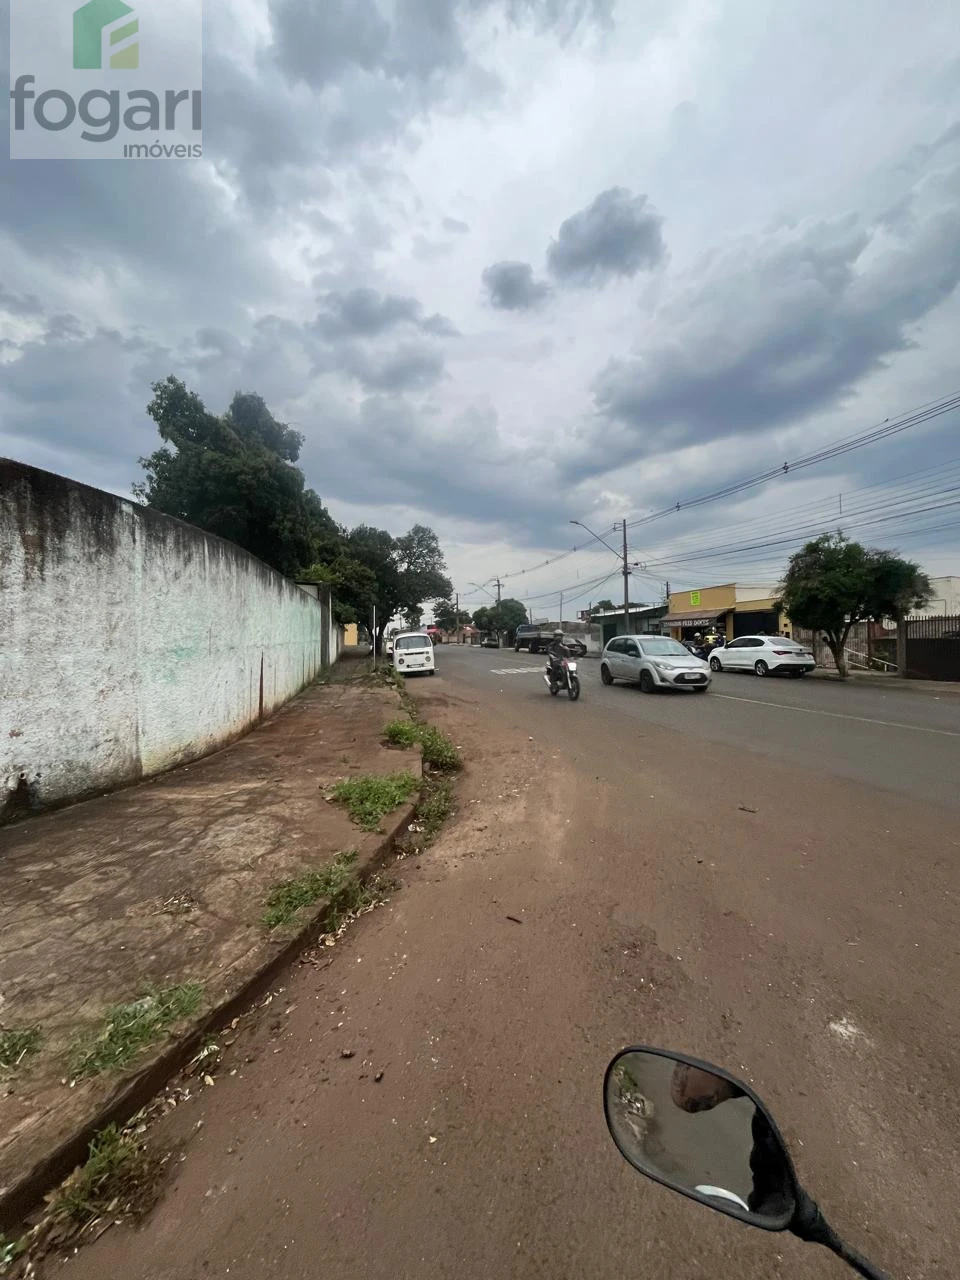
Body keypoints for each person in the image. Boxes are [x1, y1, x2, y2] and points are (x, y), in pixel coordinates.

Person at [670, 1062, 794, 1219]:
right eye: (699, 1105)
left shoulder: (768, 1124)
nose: (710, 1102)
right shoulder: (767, 1127)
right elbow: (771, 1190)